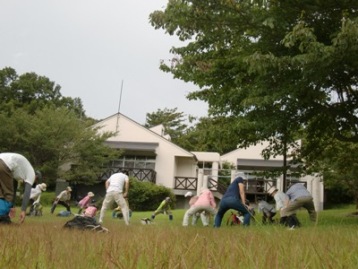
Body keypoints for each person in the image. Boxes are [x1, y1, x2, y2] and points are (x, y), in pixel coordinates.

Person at [0, 152, 41, 224]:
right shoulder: (31, 174)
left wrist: (12, 206)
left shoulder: (21, 171)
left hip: (2, 160)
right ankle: (3, 218)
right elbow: (27, 193)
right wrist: (23, 211)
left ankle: (3, 216)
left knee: (1, 193)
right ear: (36, 178)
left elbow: (14, 187)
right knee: (8, 194)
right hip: (4, 164)